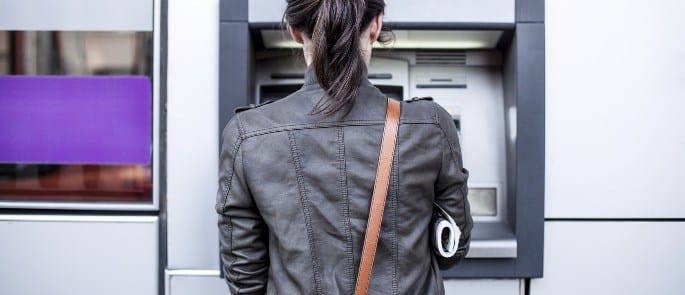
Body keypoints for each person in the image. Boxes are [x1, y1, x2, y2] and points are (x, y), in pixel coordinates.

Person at [216, 0, 472, 293]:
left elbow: (245, 278)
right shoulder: (431, 126)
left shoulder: (248, 134)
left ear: (294, 30)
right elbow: (453, 248)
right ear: (376, 25)